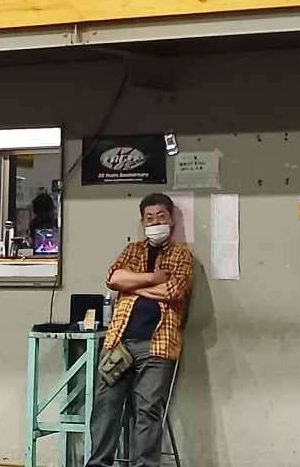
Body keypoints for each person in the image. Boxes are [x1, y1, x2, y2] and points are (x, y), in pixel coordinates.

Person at [87, 194, 194, 467]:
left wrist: (132, 286)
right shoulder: (132, 250)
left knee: (147, 412)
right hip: (118, 342)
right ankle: (98, 463)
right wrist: (152, 279)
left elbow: (174, 291)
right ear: (143, 222)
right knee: (105, 407)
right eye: (149, 218)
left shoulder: (181, 254)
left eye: (161, 217)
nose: (155, 223)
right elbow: (113, 278)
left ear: (171, 220)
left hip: (157, 346)